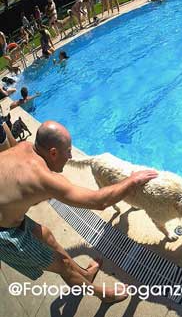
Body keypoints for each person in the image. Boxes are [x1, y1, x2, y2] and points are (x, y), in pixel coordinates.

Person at [0, 121, 158, 302]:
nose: (70, 156)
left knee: (48, 236)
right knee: (63, 265)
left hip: (8, 218)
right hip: (3, 235)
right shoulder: (44, 178)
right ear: (53, 153)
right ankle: (103, 295)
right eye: (67, 151)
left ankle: (85, 274)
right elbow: (100, 201)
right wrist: (132, 180)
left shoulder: (25, 146)